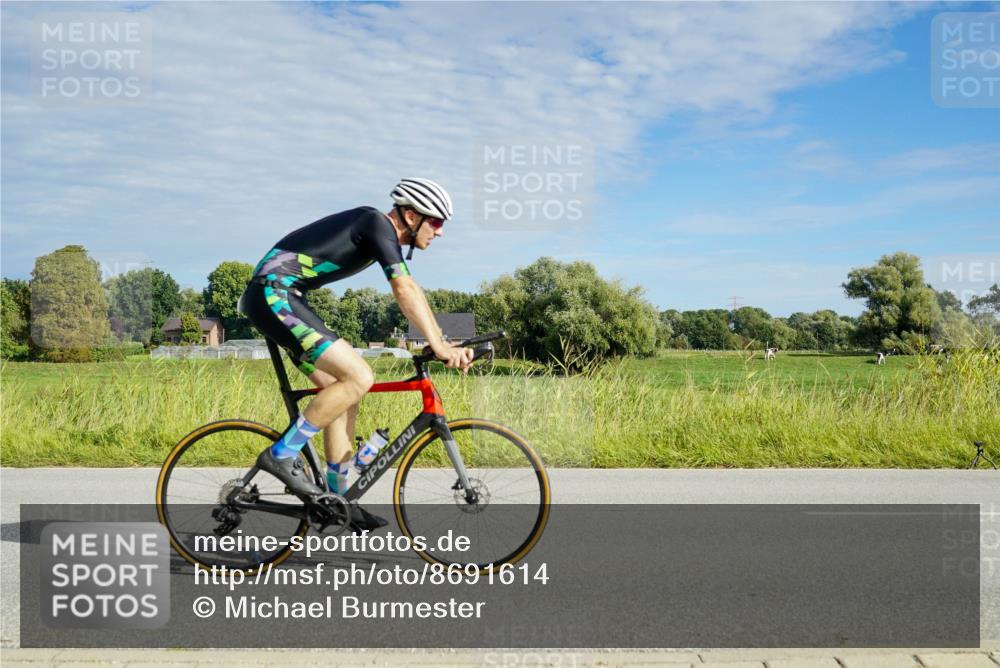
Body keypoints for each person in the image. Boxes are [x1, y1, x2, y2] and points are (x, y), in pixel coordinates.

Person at [239, 178, 474, 528]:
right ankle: (281, 455)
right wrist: (439, 345)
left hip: (280, 298)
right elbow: (403, 287)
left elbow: (413, 289)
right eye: (437, 222)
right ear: (411, 215)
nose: (439, 233)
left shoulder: (378, 231)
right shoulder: (376, 223)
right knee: (360, 375)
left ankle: (338, 499)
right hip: (273, 295)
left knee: (343, 390)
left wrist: (437, 338)